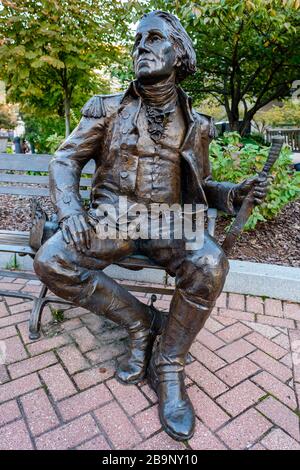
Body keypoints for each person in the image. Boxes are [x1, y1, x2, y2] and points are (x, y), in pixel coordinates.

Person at [34, 11, 268, 441]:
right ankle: (142, 323)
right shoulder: (106, 108)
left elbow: (201, 184)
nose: (140, 46)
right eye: (137, 40)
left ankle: (169, 363)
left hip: (170, 221)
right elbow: (65, 159)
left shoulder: (197, 123)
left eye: (153, 38)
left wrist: (232, 194)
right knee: (52, 261)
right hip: (112, 218)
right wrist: (70, 213)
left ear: (178, 53)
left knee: (210, 263)